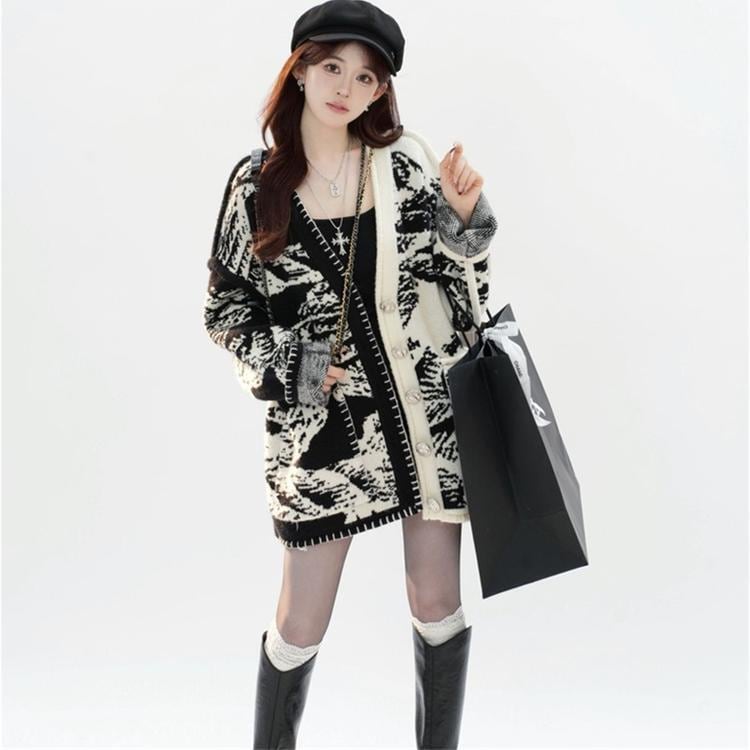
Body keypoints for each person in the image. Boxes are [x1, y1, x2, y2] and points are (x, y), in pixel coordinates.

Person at [203, 1, 498, 747]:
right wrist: (294, 367)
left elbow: (463, 299)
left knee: (438, 605)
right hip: (320, 437)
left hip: (424, 420)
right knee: (299, 622)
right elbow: (226, 310)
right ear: (300, 70)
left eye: (366, 78)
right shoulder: (255, 185)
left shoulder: (404, 168)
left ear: (380, 92)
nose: (346, 87)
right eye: (332, 67)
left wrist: (464, 221)